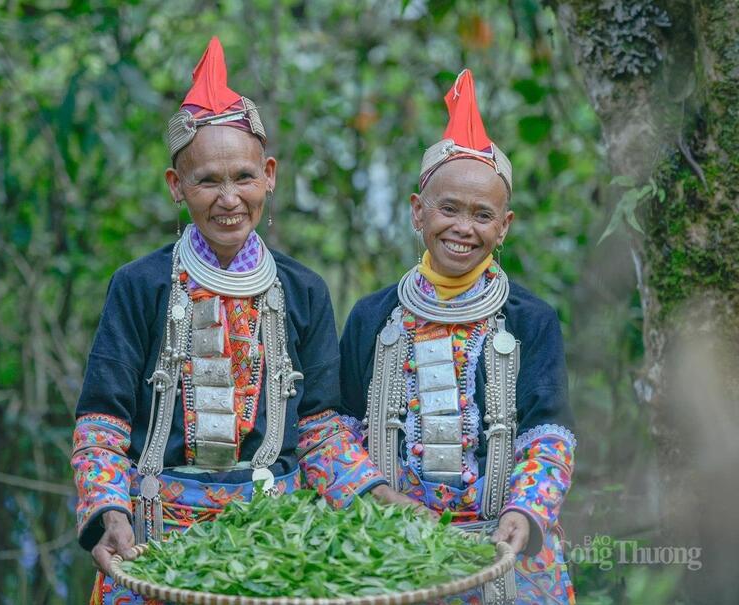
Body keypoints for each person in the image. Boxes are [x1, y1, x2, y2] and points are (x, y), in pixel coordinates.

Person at [71, 37, 393, 605]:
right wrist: (107, 512)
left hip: (277, 544)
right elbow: (103, 420)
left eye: (243, 177)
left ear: (269, 175)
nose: (229, 199)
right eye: (207, 181)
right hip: (155, 540)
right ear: (177, 187)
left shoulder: (304, 291)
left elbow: (319, 427)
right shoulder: (140, 285)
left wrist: (377, 496)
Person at [337, 69, 577, 604]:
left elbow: (549, 435)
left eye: (482, 215)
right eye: (448, 209)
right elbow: (338, 430)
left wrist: (524, 510)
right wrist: (379, 502)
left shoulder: (531, 321)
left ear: (505, 225)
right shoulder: (372, 317)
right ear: (418, 212)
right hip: (389, 549)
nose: (463, 228)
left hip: (504, 546)